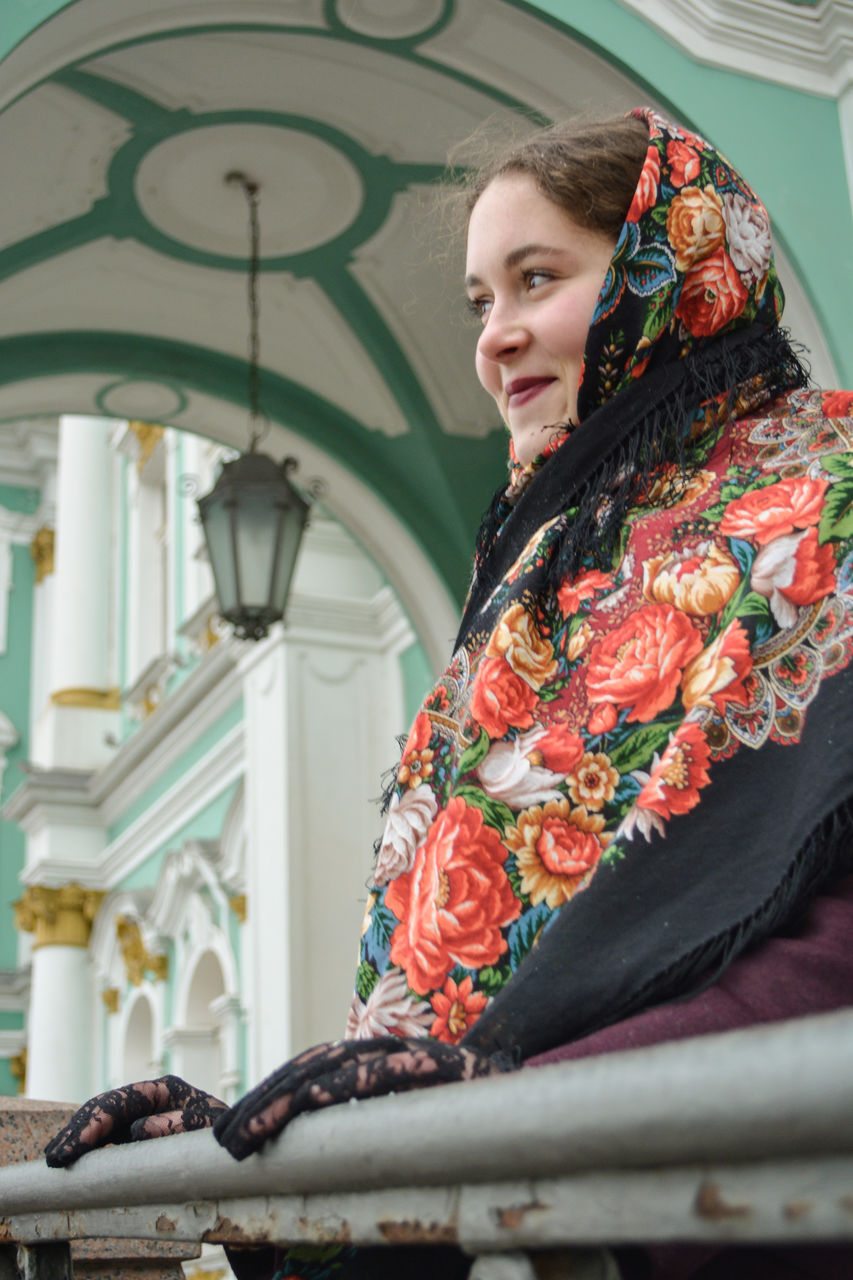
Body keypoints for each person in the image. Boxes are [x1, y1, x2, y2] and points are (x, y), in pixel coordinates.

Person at [45, 109, 853, 1279]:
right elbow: (475, 992)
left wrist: (515, 1097)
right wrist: (269, 1145)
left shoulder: (827, 504)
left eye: (537, 278)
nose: (497, 336)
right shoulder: (539, 581)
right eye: (482, 299)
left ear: (670, 272)